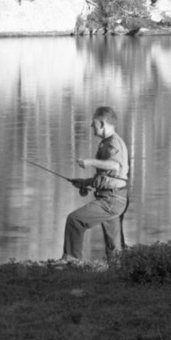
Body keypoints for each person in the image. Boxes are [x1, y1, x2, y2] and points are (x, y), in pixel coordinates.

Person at [62, 104, 130, 262]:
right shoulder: (107, 142)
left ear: (102, 123)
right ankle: (118, 273)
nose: (91, 125)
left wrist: (91, 162)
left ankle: (71, 261)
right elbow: (110, 176)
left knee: (75, 220)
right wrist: (86, 183)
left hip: (112, 200)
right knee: (115, 248)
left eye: (94, 122)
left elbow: (115, 165)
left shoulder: (114, 143)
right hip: (113, 197)